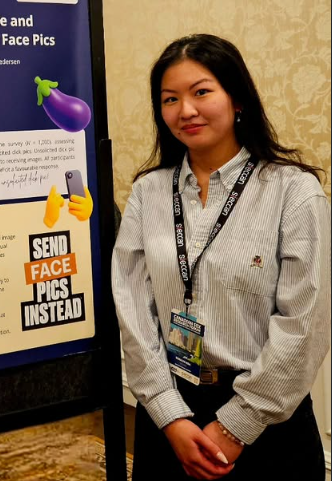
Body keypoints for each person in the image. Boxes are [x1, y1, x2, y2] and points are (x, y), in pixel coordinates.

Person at [112, 34, 330, 480]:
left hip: (269, 420)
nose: (185, 110)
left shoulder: (293, 191)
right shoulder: (149, 192)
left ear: (238, 100)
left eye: (201, 92)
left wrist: (236, 427)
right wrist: (168, 414)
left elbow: (304, 324)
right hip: (170, 409)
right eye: (170, 99)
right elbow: (132, 305)